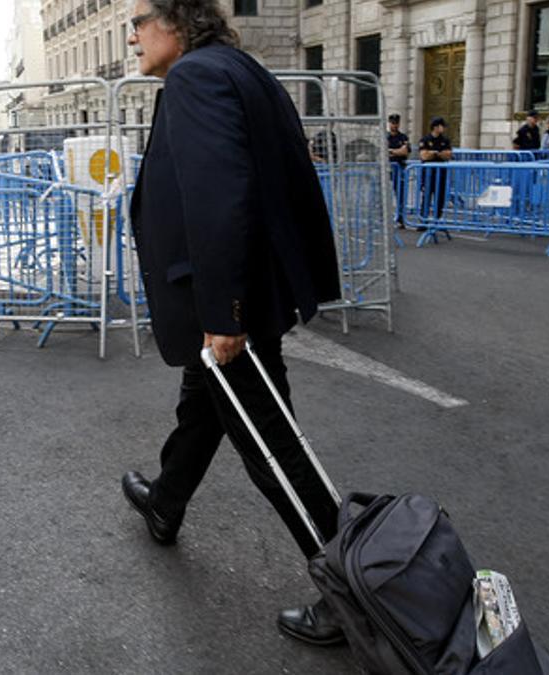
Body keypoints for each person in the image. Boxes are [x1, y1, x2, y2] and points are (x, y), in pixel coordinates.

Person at [120, 0, 345, 647]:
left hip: (225, 301)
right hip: (244, 289)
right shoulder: (240, 68)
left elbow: (222, 196)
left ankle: (350, 590)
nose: (132, 34)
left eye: (140, 19)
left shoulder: (194, 78)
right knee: (206, 405)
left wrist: (226, 314)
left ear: (177, 20)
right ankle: (166, 500)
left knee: (272, 444)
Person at [418, 116, 453, 222]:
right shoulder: (425, 140)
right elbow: (424, 155)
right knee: (427, 196)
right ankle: (423, 220)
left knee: (440, 197)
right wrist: (435, 153)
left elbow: (448, 155)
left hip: (441, 173)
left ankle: (437, 219)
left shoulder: (445, 140)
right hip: (429, 174)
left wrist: (434, 153)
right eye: (442, 126)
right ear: (436, 127)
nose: (443, 129)